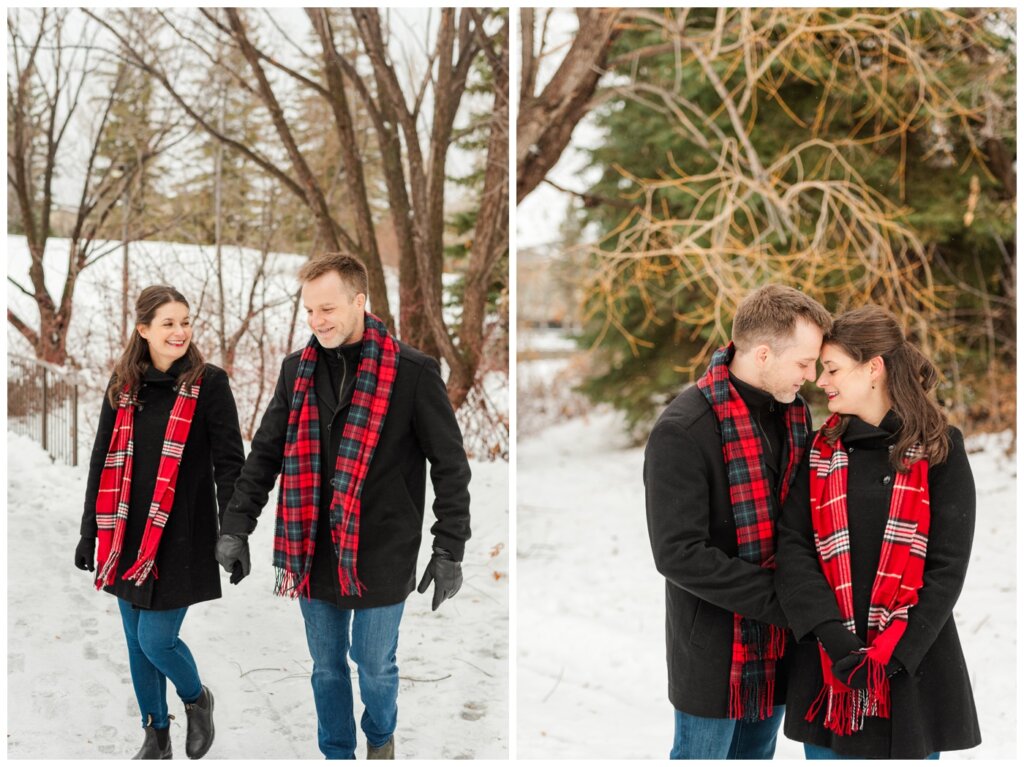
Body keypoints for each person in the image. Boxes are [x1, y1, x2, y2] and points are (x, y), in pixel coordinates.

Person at [215, 252, 471, 760]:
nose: (317, 321)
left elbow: (450, 466)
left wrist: (450, 547)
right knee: (327, 666)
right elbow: (266, 452)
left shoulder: (413, 372)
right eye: (309, 311)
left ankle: (380, 737)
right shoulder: (297, 371)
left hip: (382, 549)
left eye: (327, 308)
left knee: (374, 666)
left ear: (359, 300)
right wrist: (236, 527)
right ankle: (336, 753)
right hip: (311, 548)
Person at [775, 306, 981, 759]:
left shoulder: (940, 449)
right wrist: (835, 638)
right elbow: (794, 549)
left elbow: (947, 568)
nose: (820, 381)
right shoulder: (818, 452)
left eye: (831, 369)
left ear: (873, 368)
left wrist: (893, 656)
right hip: (832, 672)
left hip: (911, 670)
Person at [644, 285, 833, 759]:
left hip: (778, 648)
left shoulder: (793, 414)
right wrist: (786, 601)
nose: (811, 377)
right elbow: (678, 555)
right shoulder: (683, 430)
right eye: (804, 363)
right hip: (715, 654)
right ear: (764, 354)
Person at [76, 286, 245, 759]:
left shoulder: (209, 383)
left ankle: (196, 699)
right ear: (143, 329)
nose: (180, 331)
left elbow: (231, 463)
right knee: (135, 642)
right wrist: (90, 530)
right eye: (168, 323)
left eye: (185, 321)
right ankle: (156, 734)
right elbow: (100, 460)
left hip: (182, 536)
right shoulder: (124, 385)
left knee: (156, 639)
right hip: (125, 532)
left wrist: (235, 531)